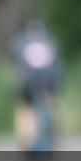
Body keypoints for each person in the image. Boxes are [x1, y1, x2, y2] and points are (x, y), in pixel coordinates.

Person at [12, 19, 62, 153]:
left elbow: (18, 64)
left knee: (26, 107)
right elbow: (57, 66)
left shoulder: (22, 42)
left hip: (29, 80)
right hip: (48, 79)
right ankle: (52, 130)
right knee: (50, 102)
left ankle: (26, 137)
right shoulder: (50, 42)